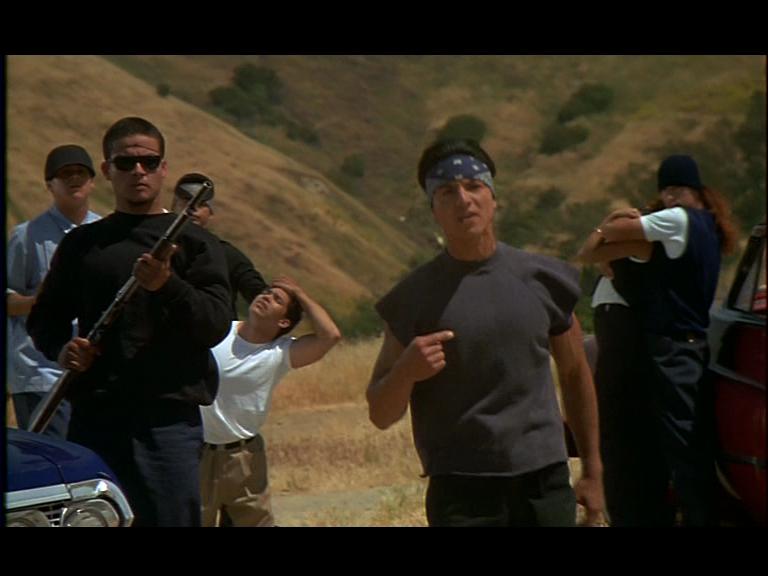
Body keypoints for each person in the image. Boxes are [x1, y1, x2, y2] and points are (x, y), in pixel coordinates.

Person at [366, 138, 605, 527]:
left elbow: (576, 373)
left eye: (474, 186)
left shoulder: (544, 280)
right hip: (462, 492)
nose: (464, 200)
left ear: (493, 198)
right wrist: (406, 372)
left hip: (543, 482)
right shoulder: (412, 299)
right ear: (434, 210)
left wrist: (593, 470)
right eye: (447, 192)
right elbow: (380, 412)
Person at [27, 117, 232, 527]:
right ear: (107, 170)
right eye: (125, 163)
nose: (138, 171)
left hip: (168, 421)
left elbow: (215, 324)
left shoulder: (196, 244)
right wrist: (64, 350)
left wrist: (167, 285)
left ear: (163, 168)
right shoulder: (82, 244)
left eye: (149, 162)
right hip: (96, 417)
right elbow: (45, 320)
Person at [577, 154, 738, 526]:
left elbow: (597, 246)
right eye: (666, 191)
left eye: (677, 190)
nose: (670, 198)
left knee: (679, 445)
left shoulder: (679, 220)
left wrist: (612, 221)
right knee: (684, 441)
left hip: (673, 345)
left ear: (696, 191)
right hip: (689, 343)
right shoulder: (704, 229)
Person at [200, 276, 341, 526]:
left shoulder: (280, 353)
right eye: (266, 292)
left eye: (277, 300)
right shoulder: (218, 330)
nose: (266, 297)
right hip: (197, 452)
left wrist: (300, 294)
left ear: (283, 322)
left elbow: (330, 336)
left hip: (243, 457)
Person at [7, 144, 101, 438]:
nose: (74, 179)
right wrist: (41, 302)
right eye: (65, 174)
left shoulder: (105, 233)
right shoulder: (27, 236)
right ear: (50, 184)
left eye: (81, 173)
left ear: (93, 182)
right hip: (41, 372)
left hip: (93, 372)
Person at [171, 172, 267, 320]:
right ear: (173, 205)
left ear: (211, 212)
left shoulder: (227, 255)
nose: (193, 209)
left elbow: (258, 293)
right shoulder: (150, 240)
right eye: (187, 201)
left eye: (201, 204)